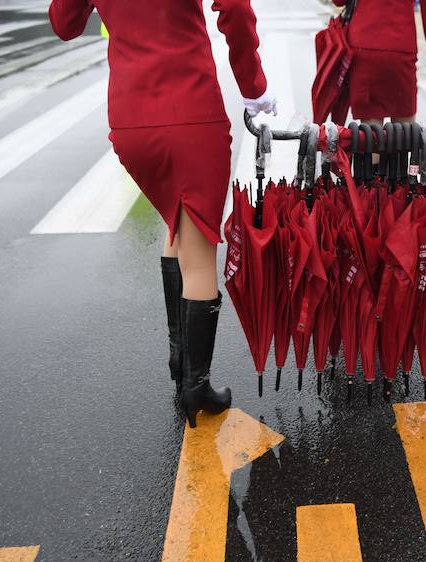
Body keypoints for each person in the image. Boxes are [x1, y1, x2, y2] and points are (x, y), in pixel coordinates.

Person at [49, 0, 277, 428]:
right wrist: (253, 86)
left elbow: (64, 24)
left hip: (131, 120)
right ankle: (196, 386)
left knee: (176, 223)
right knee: (200, 254)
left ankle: (181, 360)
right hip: (190, 111)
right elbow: (235, 10)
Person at [334, 0, 426, 125]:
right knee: (404, 133)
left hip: (364, 47)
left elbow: (339, 1)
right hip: (399, 48)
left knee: (371, 135)